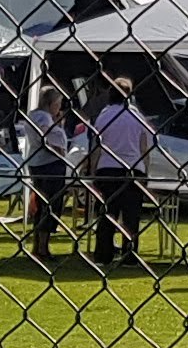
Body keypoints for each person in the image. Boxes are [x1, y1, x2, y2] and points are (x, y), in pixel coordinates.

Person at [86, 79, 154, 269]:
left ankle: (103, 254)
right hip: (133, 168)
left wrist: (93, 171)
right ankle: (130, 255)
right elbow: (144, 147)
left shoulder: (104, 116)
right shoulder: (137, 116)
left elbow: (97, 147)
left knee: (107, 214)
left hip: (107, 168)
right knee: (131, 216)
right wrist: (146, 172)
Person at [22, 82, 83, 262]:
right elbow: (45, 138)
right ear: (50, 102)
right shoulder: (43, 118)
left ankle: (38, 246)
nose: (60, 106)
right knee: (50, 205)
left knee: (43, 205)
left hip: (38, 163)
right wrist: (58, 150)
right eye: (58, 102)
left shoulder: (36, 115)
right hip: (50, 164)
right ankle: (42, 247)